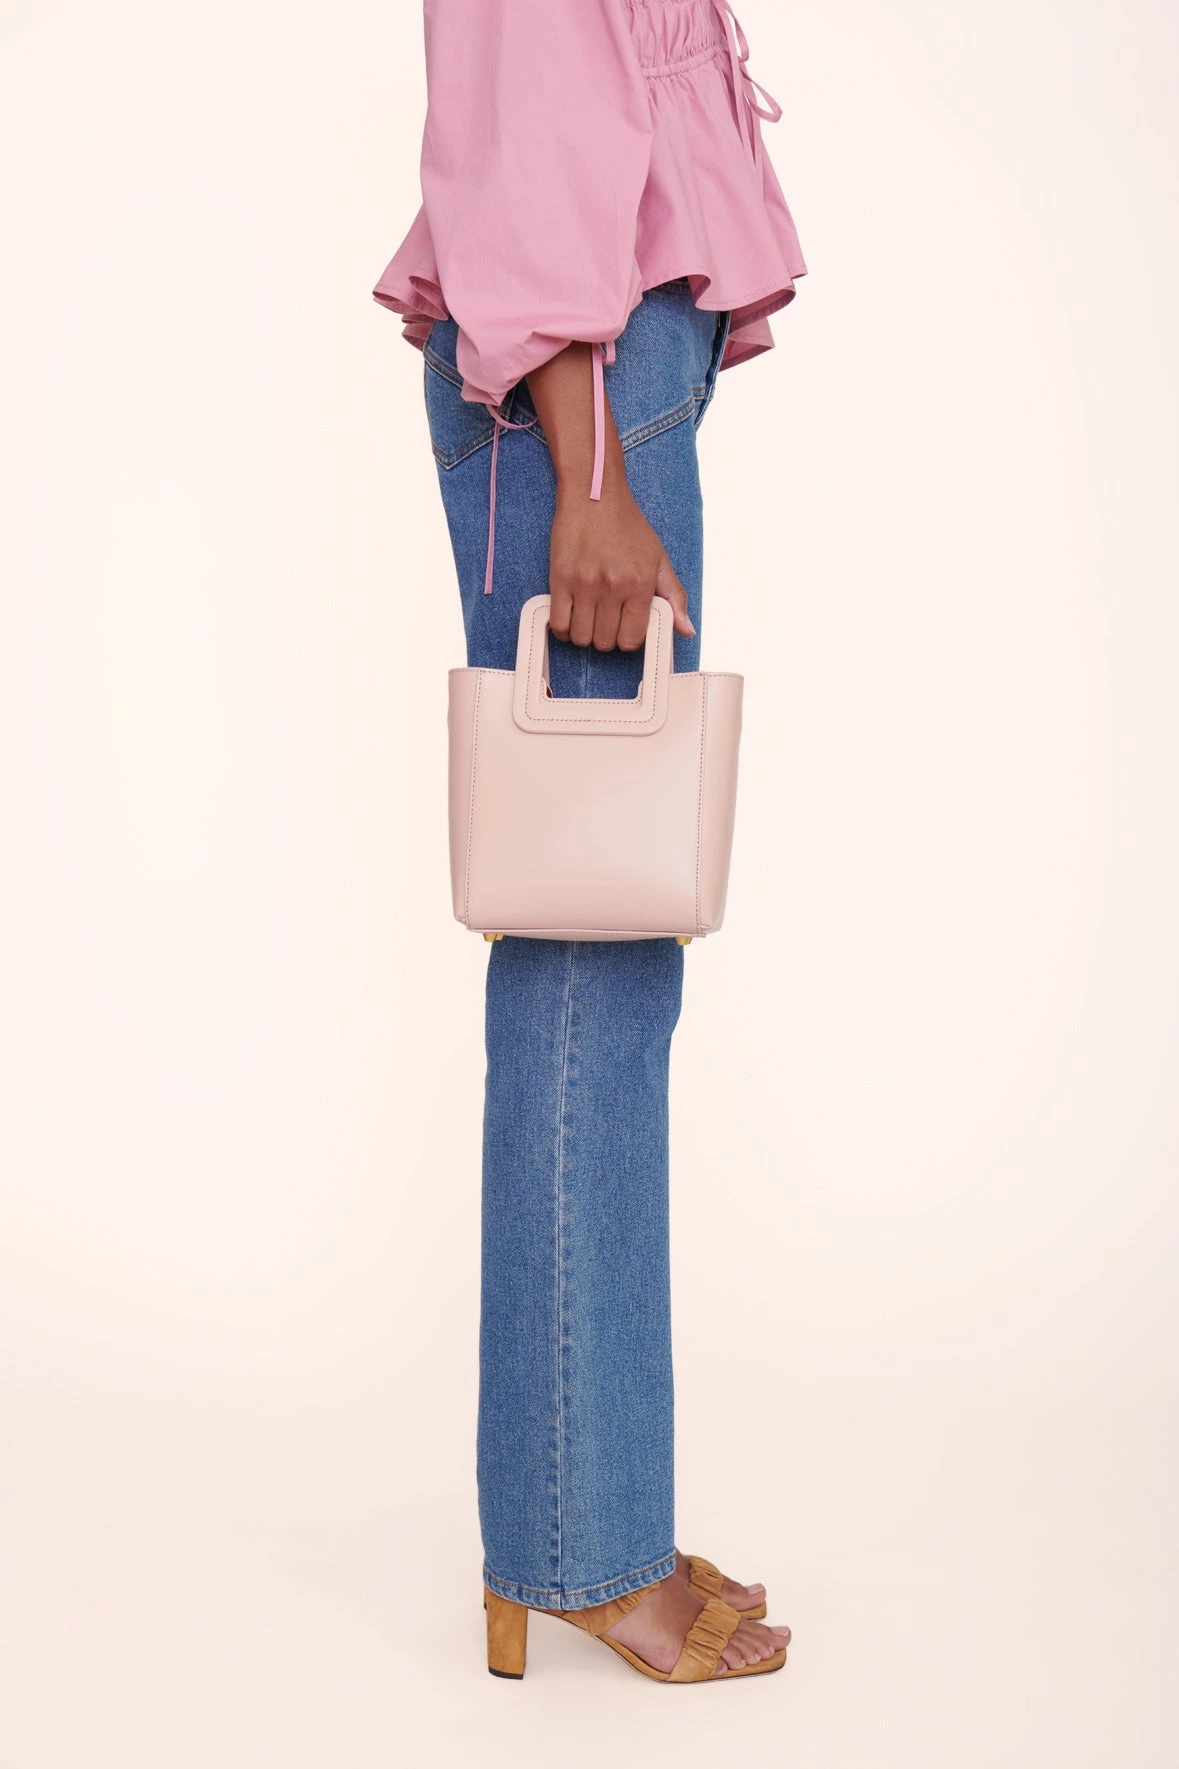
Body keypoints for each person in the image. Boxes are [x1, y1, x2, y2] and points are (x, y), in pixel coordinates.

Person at [372, 0, 807, 1684]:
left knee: (613, 956)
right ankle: (576, 1540)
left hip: (613, 389)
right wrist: (594, 479)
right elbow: (524, 156)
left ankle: (587, 1502)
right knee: (585, 958)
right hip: (580, 407)